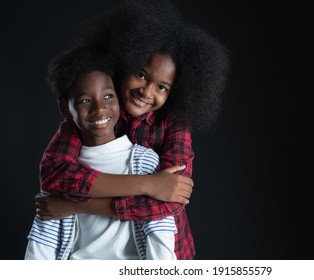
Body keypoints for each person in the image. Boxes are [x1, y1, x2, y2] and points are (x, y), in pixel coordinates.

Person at [36, 0, 230, 260]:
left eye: (162, 87)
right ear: (123, 61)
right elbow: (55, 174)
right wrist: (149, 184)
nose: (146, 92)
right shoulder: (96, 113)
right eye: (141, 74)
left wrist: (72, 205)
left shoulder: (174, 126)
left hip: (158, 252)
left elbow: (171, 199)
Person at [25, 46, 178, 260]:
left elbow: (160, 231)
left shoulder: (144, 162)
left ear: (118, 97)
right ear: (65, 109)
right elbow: (42, 244)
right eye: (85, 101)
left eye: (108, 96)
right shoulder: (64, 175)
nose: (99, 108)